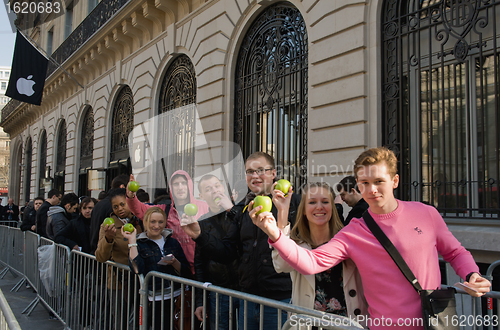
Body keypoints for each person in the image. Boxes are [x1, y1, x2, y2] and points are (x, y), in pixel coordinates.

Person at [253, 147, 491, 330]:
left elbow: (455, 252)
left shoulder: (426, 213)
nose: (372, 190)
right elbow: (311, 262)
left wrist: (472, 274)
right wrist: (275, 233)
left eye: (379, 181)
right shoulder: (353, 231)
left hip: (434, 323)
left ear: (394, 181)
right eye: (365, 183)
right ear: (358, 184)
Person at [182, 152, 301, 330]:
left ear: (273, 173)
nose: (255, 176)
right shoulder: (244, 209)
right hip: (249, 300)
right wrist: (200, 236)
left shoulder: (292, 204)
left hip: (280, 301)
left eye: (261, 170)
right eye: (250, 172)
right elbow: (227, 252)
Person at [270, 181, 368, 325]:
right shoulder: (296, 245)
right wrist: (282, 211)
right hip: (310, 324)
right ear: (303, 209)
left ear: (333, 208)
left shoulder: (349, 238)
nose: (319, 207)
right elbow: (281, 266)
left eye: (325, 201)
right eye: (312, 202)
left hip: (348, 324)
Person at [126, 170, 209, 274]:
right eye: (176, 184)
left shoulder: (204, 207)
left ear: (189, 186)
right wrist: (131, 196)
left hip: (203, 268)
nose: (180, 187)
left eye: (183, 183)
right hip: (177, 269)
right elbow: (140, 210)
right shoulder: (165, 210)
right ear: (171, 188)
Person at [122, 207, 191, 329]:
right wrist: (132, 241)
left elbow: (186, 271)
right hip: (155, 299)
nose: (156, 226)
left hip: (177, 297)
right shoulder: (140, 244)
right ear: (146, 222)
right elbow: (137, 269)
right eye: (153, 222)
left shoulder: (173, 242)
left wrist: (174, 262)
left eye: (160, 222)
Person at [191, 174, 240, 329]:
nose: (214, 191)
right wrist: (200, 302)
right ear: (201, 196)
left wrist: (232, 211)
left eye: (217, 186)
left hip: (245, 290)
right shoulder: (202, 223)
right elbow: (199, 263)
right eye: (208, 189)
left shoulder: (240, 213)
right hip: (219, 292)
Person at [90, 174, 129, 254]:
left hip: (95, 249)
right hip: (107, 256)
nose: (120, 209)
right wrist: (108, 238)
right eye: (116, 207)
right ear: (122, 187)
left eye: (122, 205)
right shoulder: (110, 210)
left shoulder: (99, 204)